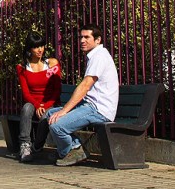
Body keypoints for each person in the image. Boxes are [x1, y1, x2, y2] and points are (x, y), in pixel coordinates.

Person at [43, 25, 118, 166]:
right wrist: (61, 111)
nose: (82, 40)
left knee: (56, 125)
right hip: (90, 105)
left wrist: (64, 111)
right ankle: (73, 148)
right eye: (81, 37)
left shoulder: (100, 57)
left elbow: (85, 85)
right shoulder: (95, 56)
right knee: (50, 114)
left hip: (99, 109)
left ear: (98, 40)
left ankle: (70, 151)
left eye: (87, 37)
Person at [15, 31, 61, 163]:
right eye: (36, 47)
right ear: (29, 49)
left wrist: (45, 106)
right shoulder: (22, 68)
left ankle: (37, 145)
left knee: (46, 115)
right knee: (26, 108)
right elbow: (26, 93)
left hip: (50, 102)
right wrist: (37, 105)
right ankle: (25, 146)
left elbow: (56, 90)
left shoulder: (51, 64)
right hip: (33, 102)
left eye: (41, 46)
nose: (40, 50)